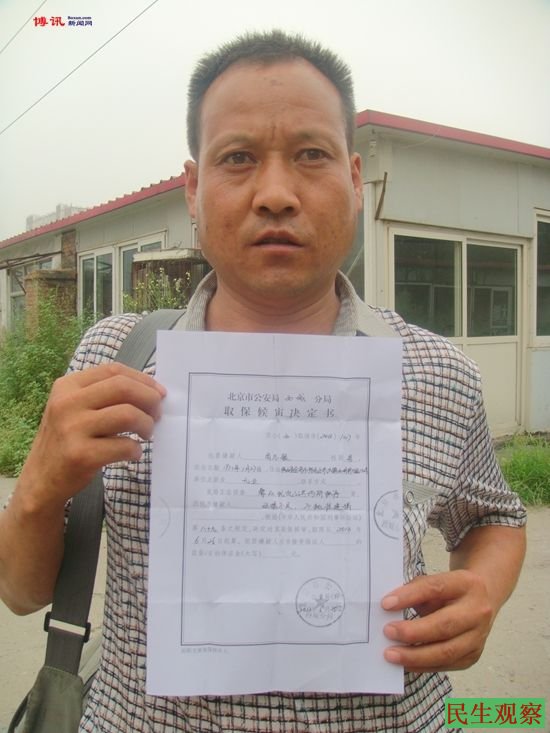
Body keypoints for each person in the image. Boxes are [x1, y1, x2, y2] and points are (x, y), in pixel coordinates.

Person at [0, 29, 526, 733]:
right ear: (194, 189)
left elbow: (494, 517)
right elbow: (22, 592)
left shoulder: (437, 372)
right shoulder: (114, 359)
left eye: (311, 154)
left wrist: (482, 590)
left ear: (353, 177)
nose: (276, 194)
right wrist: (39, 482)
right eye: (238, 158)